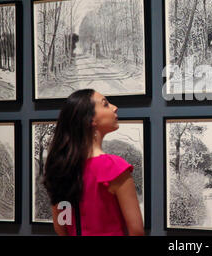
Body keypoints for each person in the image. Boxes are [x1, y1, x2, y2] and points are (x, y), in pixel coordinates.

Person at [43, 89, 144, 236]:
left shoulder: (60, 169)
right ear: (91, 119)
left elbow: (61, 228)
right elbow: (136, 232)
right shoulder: (114, 167)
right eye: (105, 104)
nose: (114, 107)